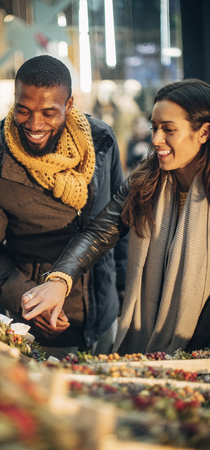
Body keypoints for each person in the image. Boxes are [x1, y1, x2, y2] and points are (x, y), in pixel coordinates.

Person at [21, 78, 210, 356]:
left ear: (204, 132)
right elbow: (100, 232)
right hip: (149, 345)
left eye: (168, 130)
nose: (156, 139)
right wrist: (59, 280)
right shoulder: (145, 182)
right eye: (154, 128)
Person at [0, 55, 128, 359]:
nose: (34, 124)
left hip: (107, 319)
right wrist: (26, 299)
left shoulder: (101, 141)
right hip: (43, 333)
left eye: (49, 112)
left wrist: (124, 289)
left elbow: (120, 218)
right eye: (23, 111)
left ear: (70, 105)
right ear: (14, 102)